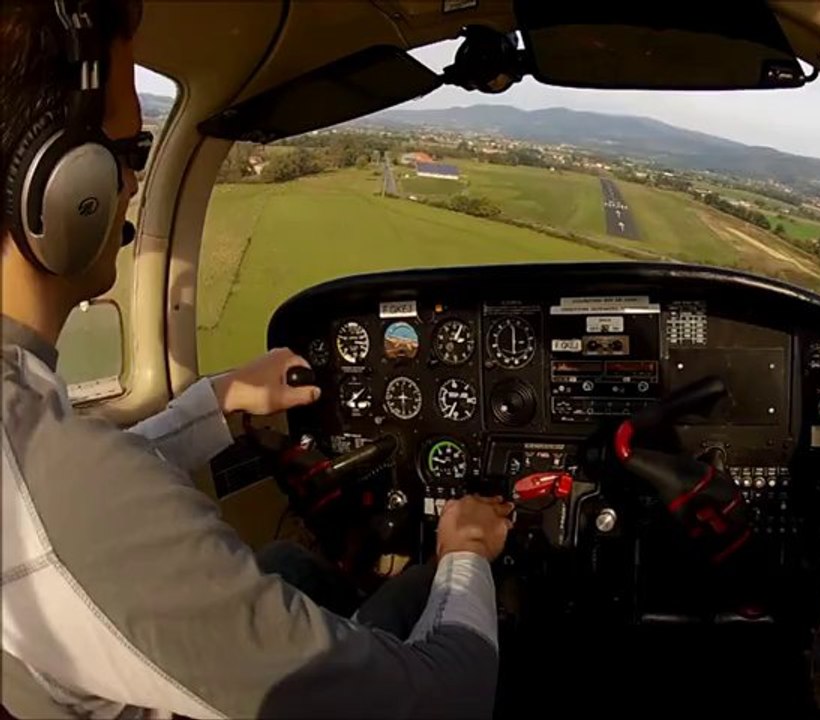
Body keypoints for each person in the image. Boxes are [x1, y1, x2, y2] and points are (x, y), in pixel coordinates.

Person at [1, 1, 513, 717]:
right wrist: (467, 555)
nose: (132, 185)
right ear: (63, 187)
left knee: (289, 565)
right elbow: (448, 698)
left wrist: (216, 400)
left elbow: (68, 507)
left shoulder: (31, 434)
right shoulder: (61, 489)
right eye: (129, 154)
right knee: (426, 593)